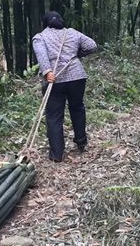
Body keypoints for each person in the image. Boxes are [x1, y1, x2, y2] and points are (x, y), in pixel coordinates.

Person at [32, 11, 97, 162]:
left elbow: (41, 55)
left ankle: (57, 154)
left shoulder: (40, 37)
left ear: (45, 23)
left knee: (54, 116)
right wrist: (77, 55)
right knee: (77, 108)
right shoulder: (72, 33)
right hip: (77, 76)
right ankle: (81, 142)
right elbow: (92, 45)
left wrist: (47, 71)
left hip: (55, 79)